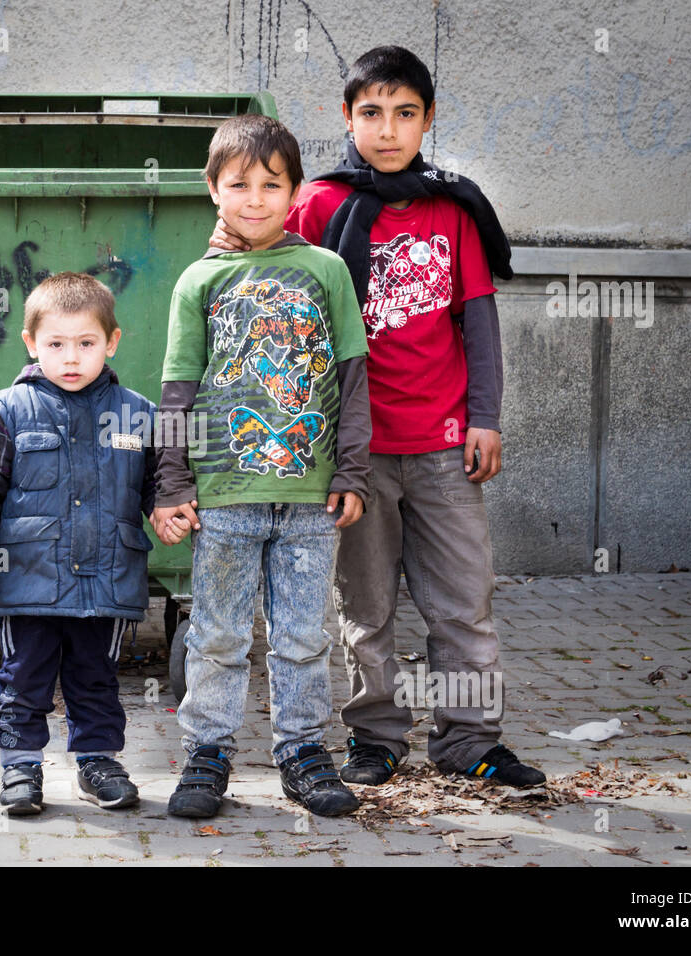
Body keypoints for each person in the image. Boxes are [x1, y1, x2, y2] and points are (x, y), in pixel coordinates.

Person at [211, 45, 545, 788]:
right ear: (347, 118)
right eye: (371, 113)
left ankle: (469, 739)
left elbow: (479, 322)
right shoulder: (318, 204)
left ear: (427, 120)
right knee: (365, 607)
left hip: (444, 443)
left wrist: (485, 416)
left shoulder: (453, 209)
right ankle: (375, 736)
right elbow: (257, 261)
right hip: (352, 450)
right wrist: (228, 245)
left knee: (463, 603)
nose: (388, 130)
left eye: (404, 114)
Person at [152, 113, 373, 819]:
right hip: (225, 496)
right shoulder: (199, 281)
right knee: (217, 634)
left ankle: (303, 753)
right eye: (238, 184)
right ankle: (207, 755)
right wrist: (173, 482)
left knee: (304, 637)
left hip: (311, 500)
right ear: (213, 190)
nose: (254, 199)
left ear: (295, 190)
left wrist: (351, 472)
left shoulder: (326, 271)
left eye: (270, 185)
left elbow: (353, 379)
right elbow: (178, 389)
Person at [0, 272, 158, 815]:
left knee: (95, 677)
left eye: (86, 343)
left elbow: (157, 481)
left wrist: (168, 508)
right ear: (31, 344)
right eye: (56, 345)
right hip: (28, 579)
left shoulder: (137, 412)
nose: (71, 358)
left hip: (106, 580)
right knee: (23, 678)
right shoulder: (9, 411)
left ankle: (98, 762)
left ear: (112, 342)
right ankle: (20, 768)